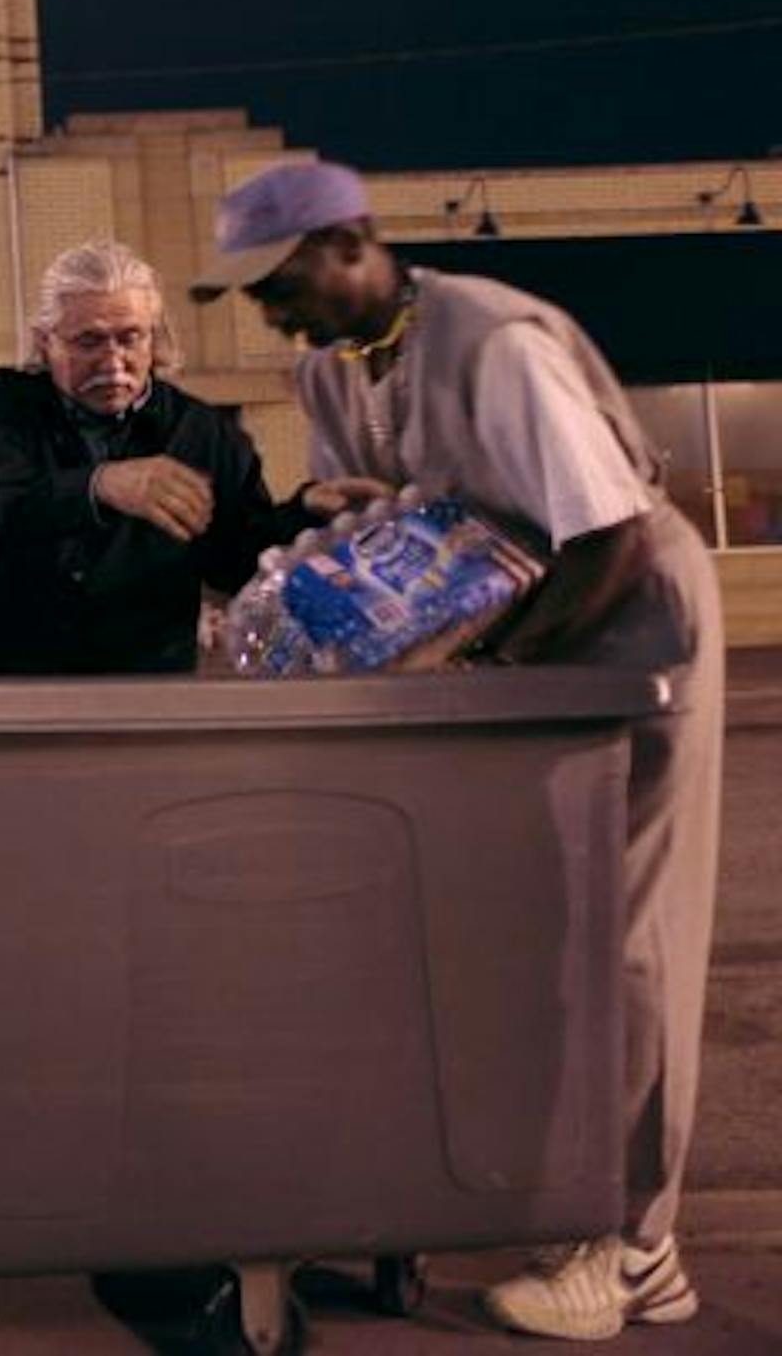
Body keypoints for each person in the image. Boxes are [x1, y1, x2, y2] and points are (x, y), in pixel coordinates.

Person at [193, 159, 724, 1342]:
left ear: (351, 244)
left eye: (278, 281)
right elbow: (428, 526)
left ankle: (636, 1255)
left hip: (628, 616)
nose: (269, 311)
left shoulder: (490, 341)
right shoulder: (329, 367)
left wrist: (494, 668)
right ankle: (548, 1201)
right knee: (518, 931)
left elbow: (611, 536)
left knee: (626, 939)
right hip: (512, 629)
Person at [0, 238, 371, 675]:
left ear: (154, 339)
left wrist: (305, 510)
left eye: (130, 338)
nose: (113, 362)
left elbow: (235, 558)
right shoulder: (3, 405)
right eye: (88, 342)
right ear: (44, 342)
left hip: (133, 690)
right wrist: (103, 484)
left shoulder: (203, 432)